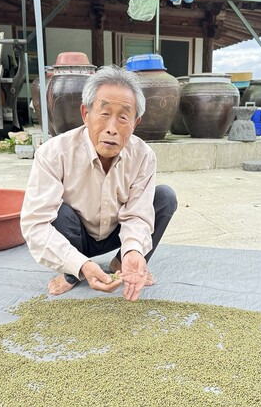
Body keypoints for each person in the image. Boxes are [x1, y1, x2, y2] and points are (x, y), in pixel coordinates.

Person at [20, 64, 177, 302]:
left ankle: (122, 262)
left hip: (116, 231)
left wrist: (134, 250)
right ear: (85, 114)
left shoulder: (143, 156)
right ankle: (72, 273)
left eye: (124, 117)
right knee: (60, 213)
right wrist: (81, 266)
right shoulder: (53, 153)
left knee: (165, 197)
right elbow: (36, 225)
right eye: (104, 114)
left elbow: (137, 215)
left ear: (135, 122)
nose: (112, 129)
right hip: (75, 236)